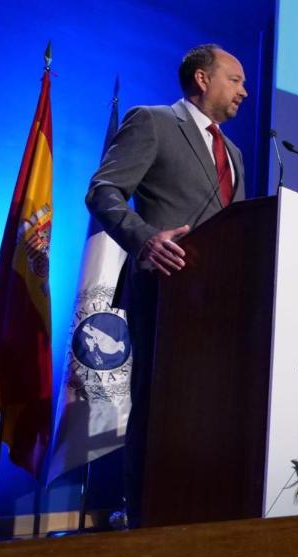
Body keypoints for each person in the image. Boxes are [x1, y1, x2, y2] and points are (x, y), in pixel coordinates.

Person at [85, 44, 248, 526]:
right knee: (160, 410)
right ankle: (144, 522)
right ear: (202, 79)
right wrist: (144, 239)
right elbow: (102, 191)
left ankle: (197, 515)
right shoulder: (153, 122)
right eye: (235, 79)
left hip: (220, 303)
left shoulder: (234, 152)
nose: (245, 89)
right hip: (166, 291)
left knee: (211, 412)